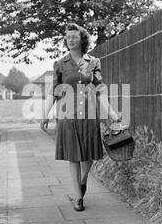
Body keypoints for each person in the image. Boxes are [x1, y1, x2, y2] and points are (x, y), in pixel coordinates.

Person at [40, 23, 120, 212]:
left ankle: (83, 180)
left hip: (90, 115)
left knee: (89, 156)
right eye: (67, 37)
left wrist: (111, 112)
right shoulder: (60, 64)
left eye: (74, 37)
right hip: (67, 116)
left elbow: (100, 88)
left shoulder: (93, 62)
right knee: (73, 158)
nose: (70, 40)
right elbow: (53, 91)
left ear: (82, 39)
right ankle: (78, 197)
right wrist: (45, 115)